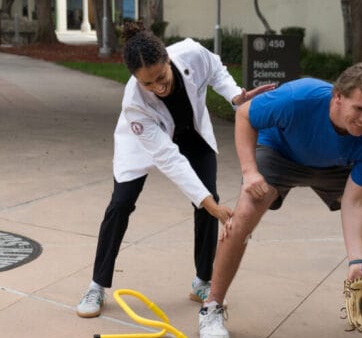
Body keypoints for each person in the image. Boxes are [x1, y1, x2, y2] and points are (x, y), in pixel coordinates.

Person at [198, 62, 362, 338]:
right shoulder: (300, 98)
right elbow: (245, 115)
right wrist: (250, 171)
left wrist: (356, 260)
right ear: (337, 97)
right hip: (280, 154)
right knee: (244, 215)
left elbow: (354, 200)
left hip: (337, 167)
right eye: (358, 109)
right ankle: (212, 307)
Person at [76, 21, 276, 318]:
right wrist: (210, 205)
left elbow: (216, 69)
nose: (158, 87)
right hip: (145, 142)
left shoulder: (192, 53)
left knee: (209, 199)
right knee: (121, 204)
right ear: (135, 80)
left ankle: (202, 282)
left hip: (192, 132)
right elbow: (169, 159)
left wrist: (235, 96)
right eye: (148, 84)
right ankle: (97, 285)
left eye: (160, 77)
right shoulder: (135, 103)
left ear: (168, 59)